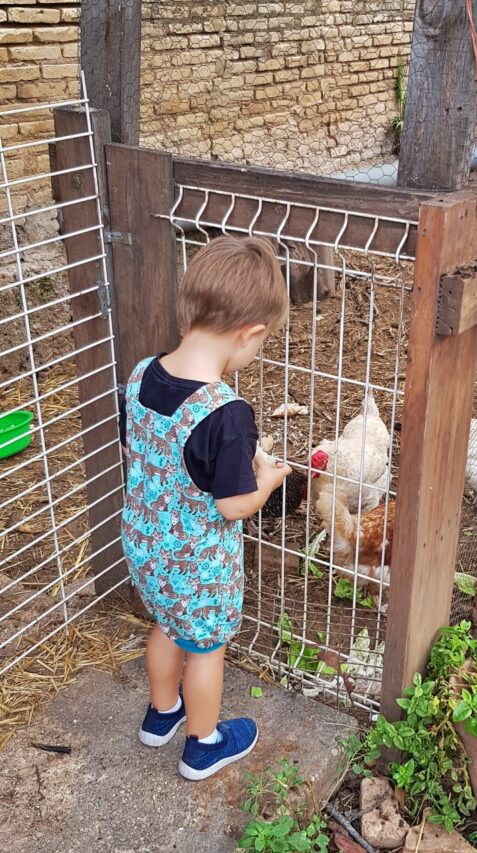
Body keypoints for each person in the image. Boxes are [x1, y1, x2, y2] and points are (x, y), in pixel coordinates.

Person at [119, 235, 291, 780]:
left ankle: (161, 713)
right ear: (251, 334)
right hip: (197, 567)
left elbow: (140, 449)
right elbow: (235, 505)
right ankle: (203, 742)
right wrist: (266, 481)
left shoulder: (142, 373)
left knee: (167, 627)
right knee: (206, 649)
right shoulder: (228, 413)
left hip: (145, 550)